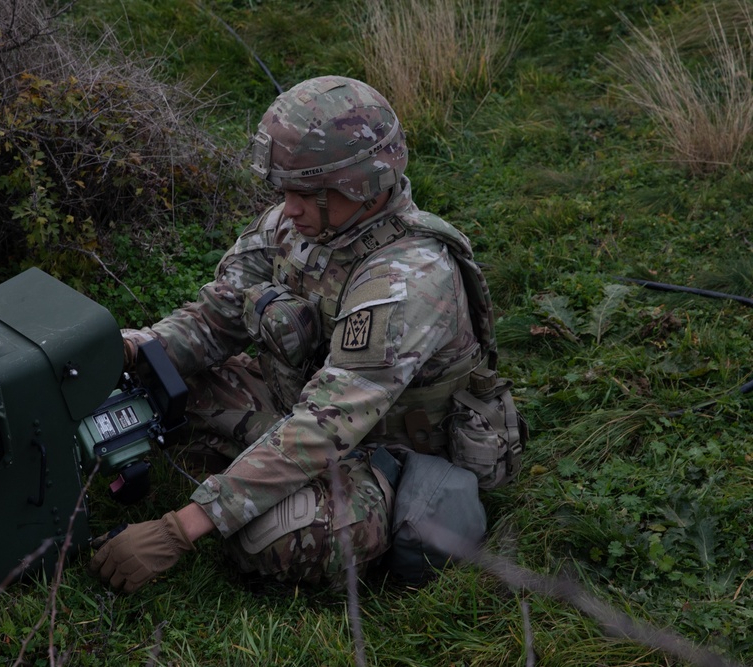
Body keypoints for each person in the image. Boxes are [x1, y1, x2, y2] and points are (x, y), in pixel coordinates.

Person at [89, 75, 494, 593]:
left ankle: (258, 463)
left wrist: (180, 529)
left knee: (283, 540)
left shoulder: (407, 279)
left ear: (362, 185)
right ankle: (248, 445)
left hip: (386, 448)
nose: (289, 206)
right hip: (303, 404)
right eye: (285, 190)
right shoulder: (298, 227)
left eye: (306, 193)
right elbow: (216, 317)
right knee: (156, 381)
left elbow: (327, 425)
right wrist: (125, 351)